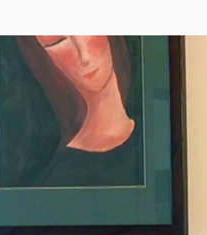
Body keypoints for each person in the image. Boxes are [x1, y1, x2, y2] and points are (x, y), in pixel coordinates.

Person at [11, 35, 143, 188]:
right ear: (45, 57)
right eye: (58, 42)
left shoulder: (155, 133)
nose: (84, 57)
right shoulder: (58, 178)